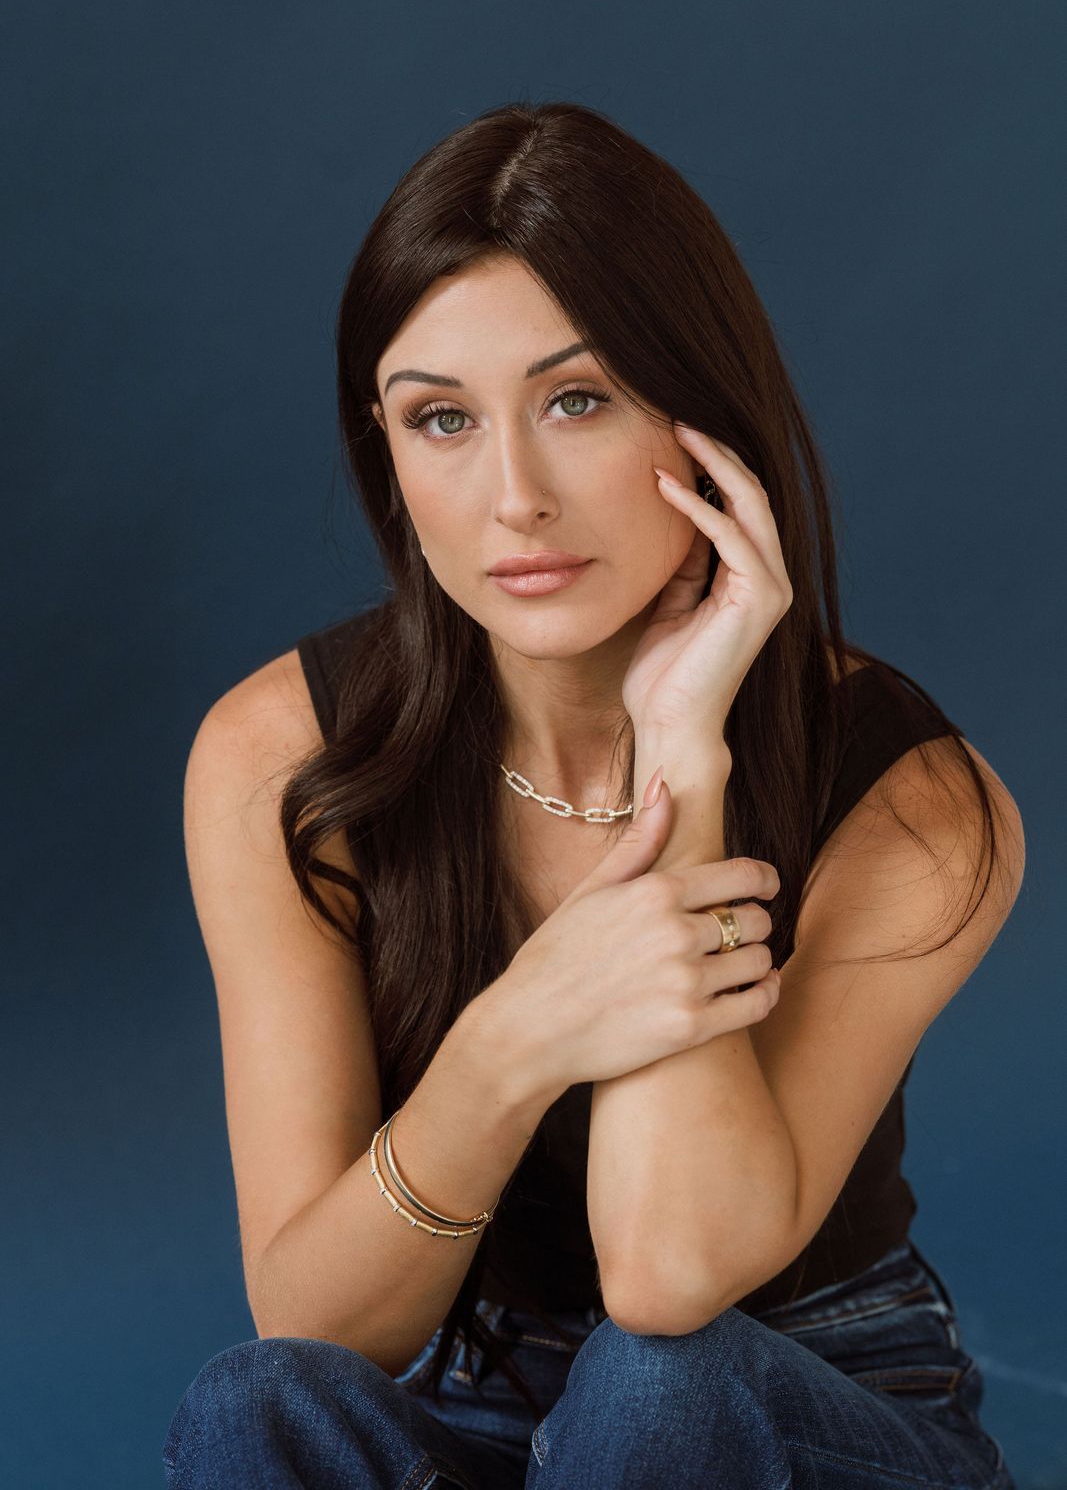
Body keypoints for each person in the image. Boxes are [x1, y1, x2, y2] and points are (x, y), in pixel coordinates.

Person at [164, 101, 1023, 1488]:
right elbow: (319, 1323)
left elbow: (669, 1274)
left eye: (578, 400)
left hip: (814, 1396)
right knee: (251, 1408)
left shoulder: (918, 803)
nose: (515, 497)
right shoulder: (282, 759)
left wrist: (680, 763)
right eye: (440, 419)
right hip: (480, 1393)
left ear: (702, 418)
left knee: (660, 1384)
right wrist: (514, 1040)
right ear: (386, 456)